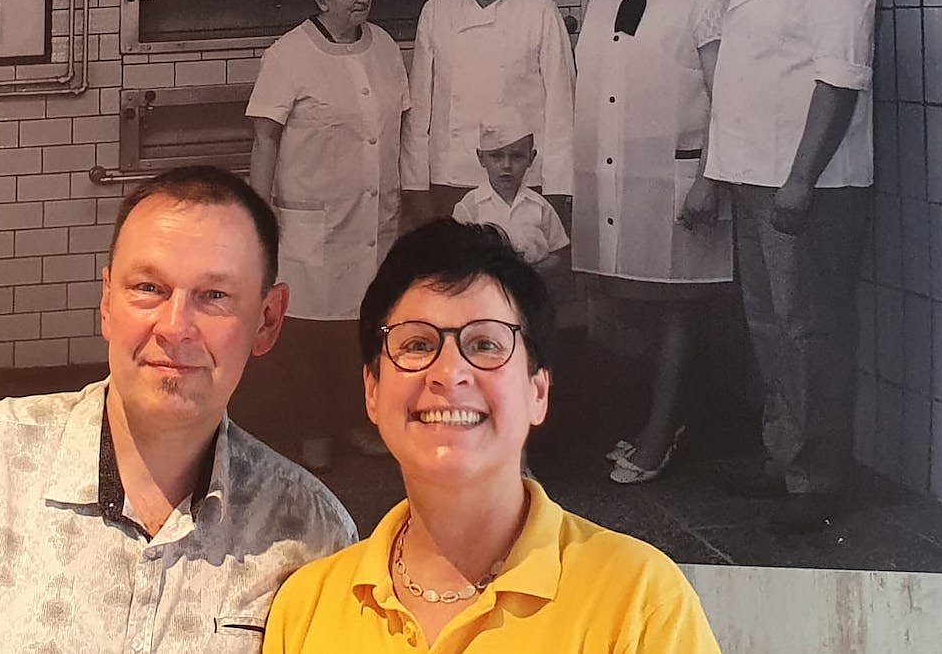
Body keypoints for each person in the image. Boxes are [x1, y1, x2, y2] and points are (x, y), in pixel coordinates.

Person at [0, 166, 356, 652]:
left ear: (267, 320)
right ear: (107, 302)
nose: (175, 327)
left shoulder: (311, 535)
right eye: (149, 288)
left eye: (214, 296)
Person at [262, 219, 720, 652]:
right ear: (373, 392)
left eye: (484, 345)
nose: (449, 373)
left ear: (537, 392)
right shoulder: (308, 607)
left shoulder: (639, 600)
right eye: (418, 344)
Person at [704, 0, 878, 534]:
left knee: (811, 329)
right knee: (769, 324)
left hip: (810, 183)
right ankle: (782, 457)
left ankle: (818, 480)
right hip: (755, 175)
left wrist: (801, 179)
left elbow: (839, 81)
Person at [572, 0, 735, 484]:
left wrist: (710, 180)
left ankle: (662, 431)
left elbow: (727, 98)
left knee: (676, 309)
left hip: (678, 180)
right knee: (630, 304)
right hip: (617, 179)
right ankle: (648, 422)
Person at [246, 0, 408, 471]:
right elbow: (265, 138)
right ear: (320, 0)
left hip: (373, 219)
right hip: (310, 220)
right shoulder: (288, 55)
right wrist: (258, 215)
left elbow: (399, 129)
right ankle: (314, 429)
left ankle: (356, 423)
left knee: (362, 327)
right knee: (309, 331)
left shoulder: (385, 47)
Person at [402, 0, 575, 227]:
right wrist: (415, 186)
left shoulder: (540, 11)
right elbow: (419, 109)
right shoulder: (437, 10)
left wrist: (558, 189)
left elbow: (562, 108)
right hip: (450, 182)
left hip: (523, 182)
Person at [452, 120, 569, 277]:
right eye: (496, 156)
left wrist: (531, 271)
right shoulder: (470, 206)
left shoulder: (540, 206)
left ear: (531, 158)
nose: (506, 165)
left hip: (531, 285)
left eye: (517, 156)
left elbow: (559, 253)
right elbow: (455, 256)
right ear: (481, 157)